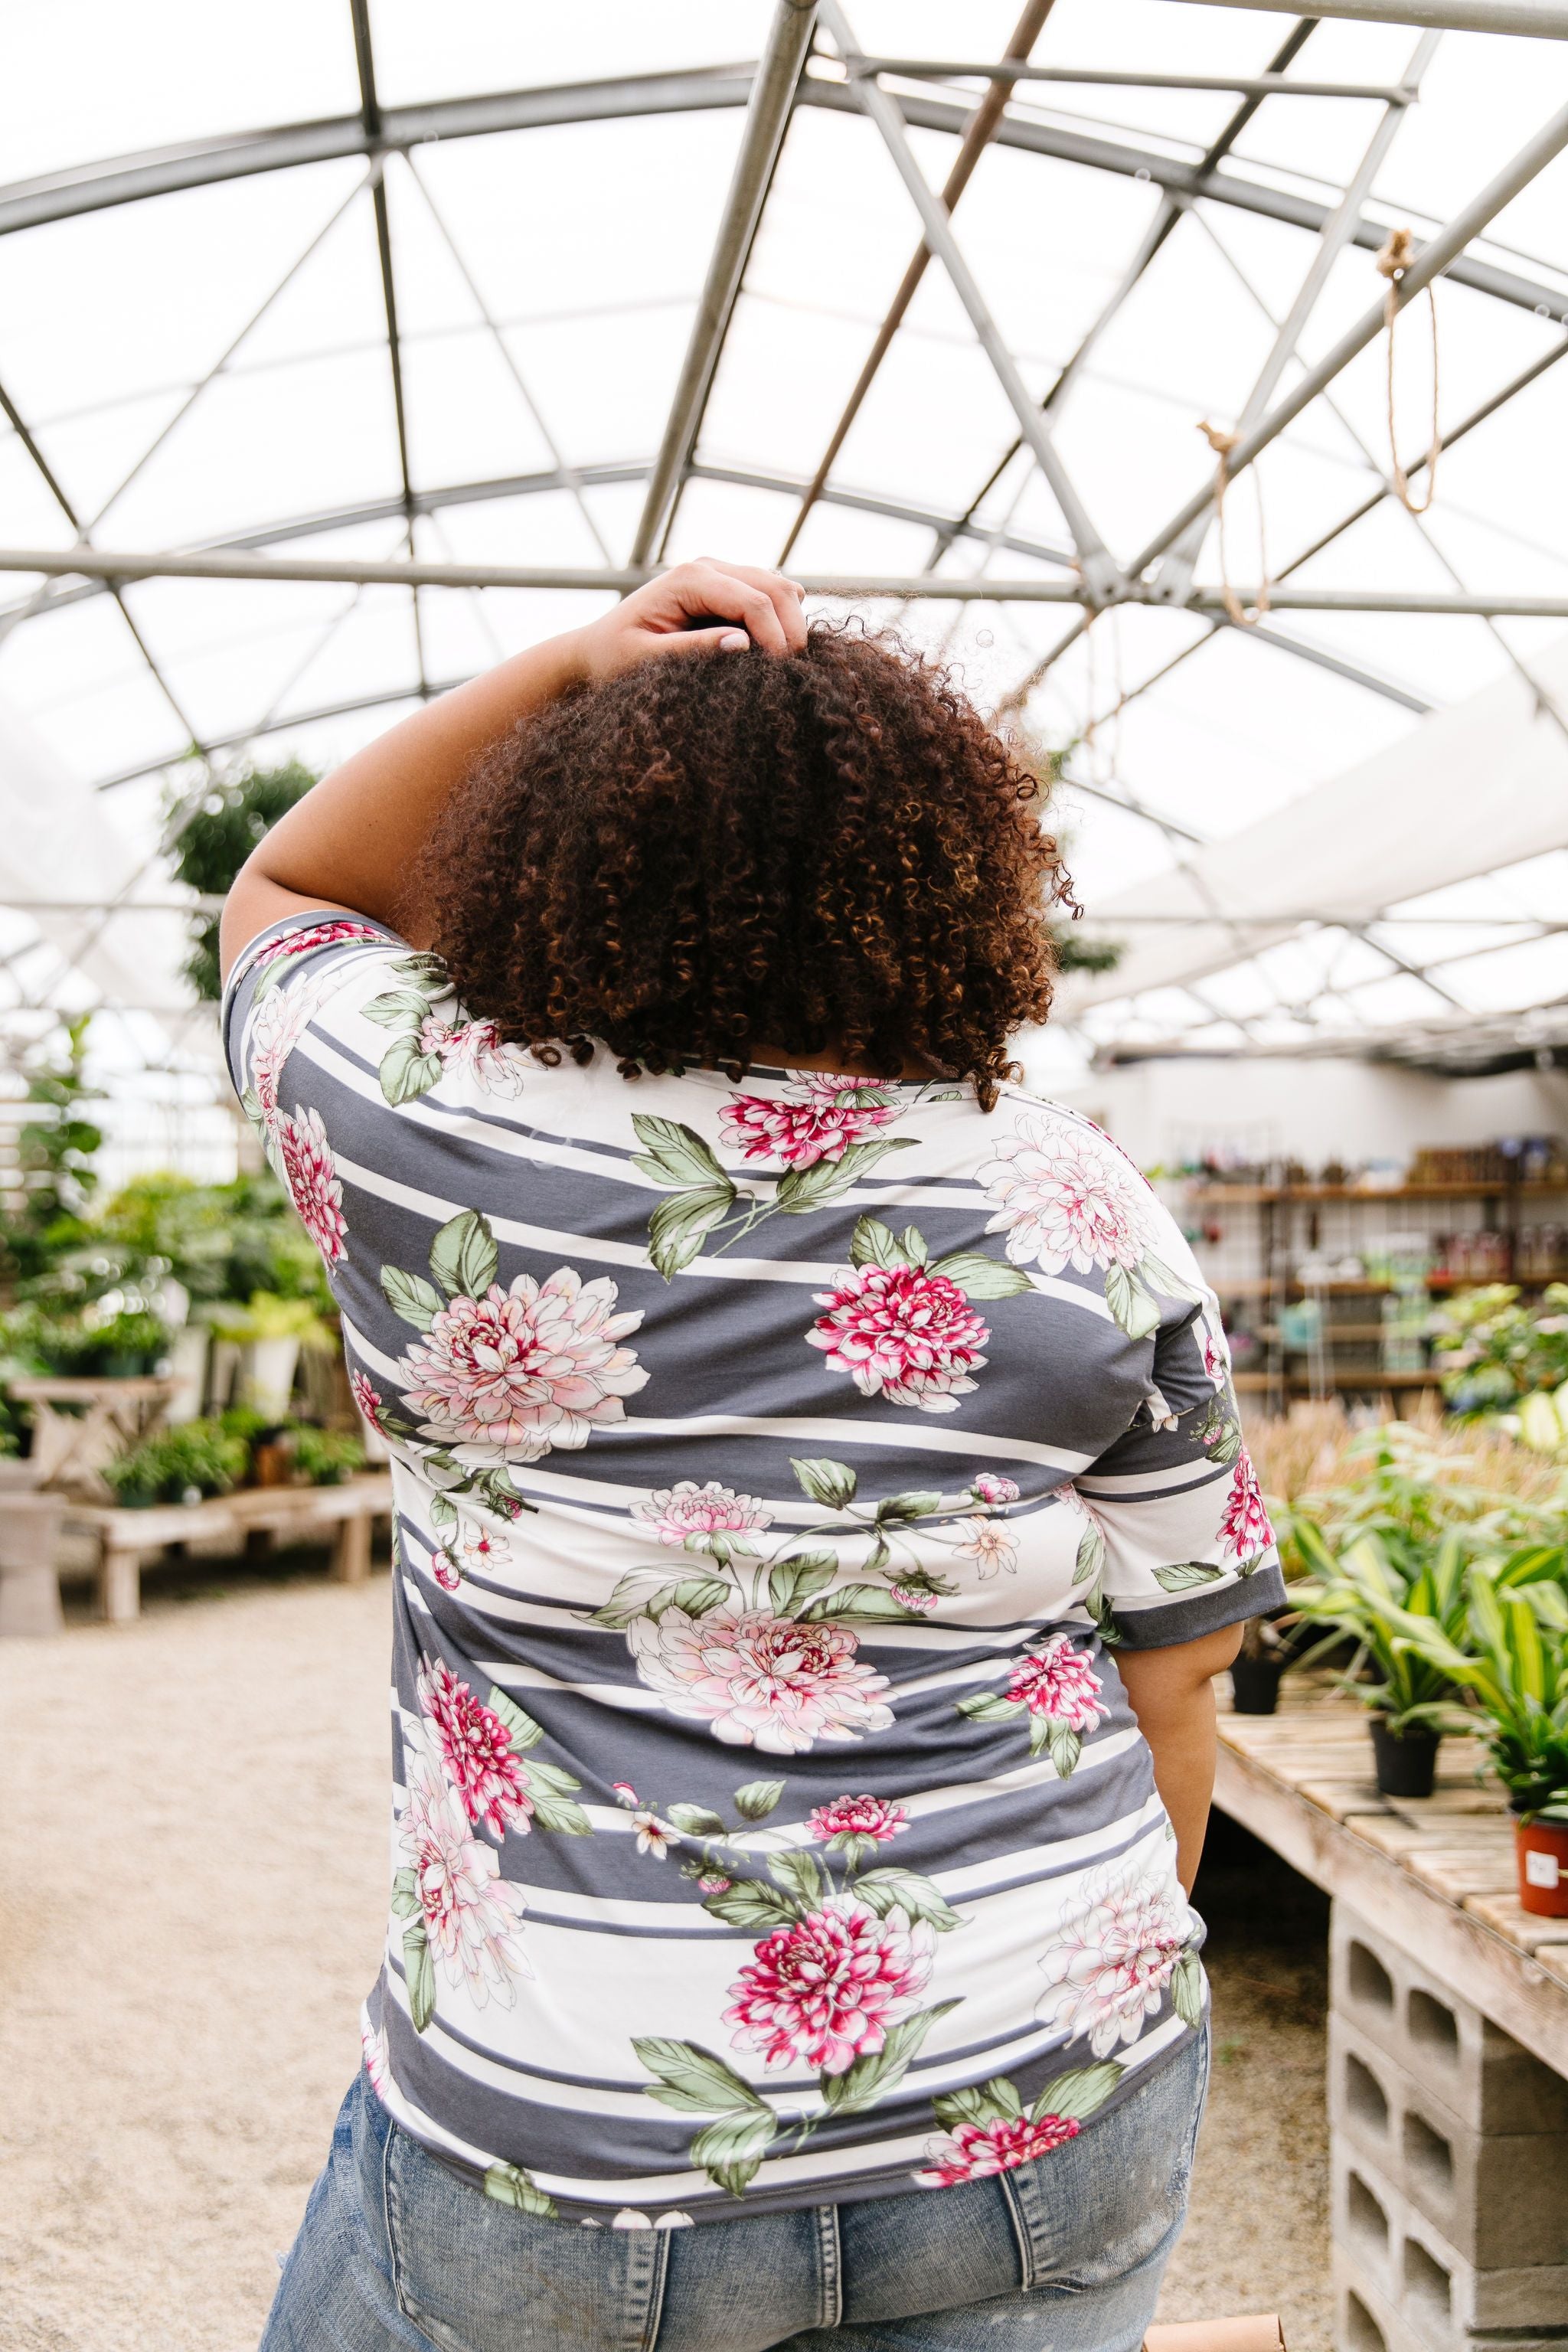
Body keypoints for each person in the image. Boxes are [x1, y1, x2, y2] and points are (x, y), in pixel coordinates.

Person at [220, 559, 1285, 2352]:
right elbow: (1178, 1667)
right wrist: (1054, 1996)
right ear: (950, 886)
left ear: (565, 863)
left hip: (566, 2138)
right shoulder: (1081, 1204)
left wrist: (567, 664)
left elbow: (295, 885)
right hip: (1042, 2105)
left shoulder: (418, 1122)